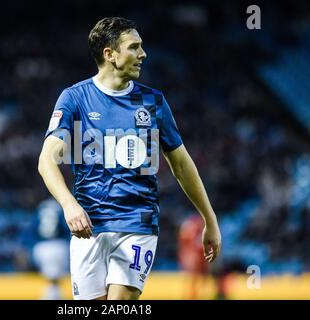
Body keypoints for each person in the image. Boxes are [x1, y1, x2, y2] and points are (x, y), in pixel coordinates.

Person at [38, 16, 221, 300]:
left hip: (137, 222)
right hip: (89, 225)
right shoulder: (75, 98)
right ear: (109, 55)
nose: (143, 54)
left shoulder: (153, 102)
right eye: (134, 47)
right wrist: (69, 205)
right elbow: (46, 160)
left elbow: (182, 164)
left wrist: (209, 219)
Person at [32, 198, 70, 300]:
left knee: (50, 278)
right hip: (59, 245)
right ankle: (53, 295)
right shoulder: (60, 205)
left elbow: (33, 228)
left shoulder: (41, 207)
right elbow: (66, 226)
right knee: (56, 278)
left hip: (41, 246)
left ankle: (51, 294)